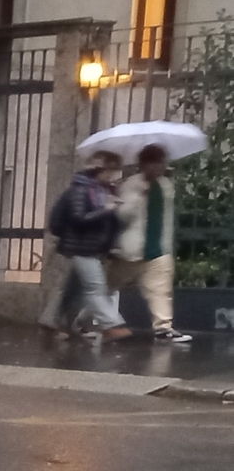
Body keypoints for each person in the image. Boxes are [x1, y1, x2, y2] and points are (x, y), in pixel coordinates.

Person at [107, 143, 192, 345]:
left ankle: (163, 328)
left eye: (162, 163)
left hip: (158, 250)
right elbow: (121, 216)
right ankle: (83, 321)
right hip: (131, 251)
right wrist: (138, 197)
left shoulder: (166, 186)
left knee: (161, 289)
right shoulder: (130, 185)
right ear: (145, 165)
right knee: (105, 288)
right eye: (156, 163)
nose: (161, 167)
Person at [41, 151, 129, 340]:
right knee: (95, 287)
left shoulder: (103, 191)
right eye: (112, 170)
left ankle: (52, 322)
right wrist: (106, 209)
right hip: (80, 247)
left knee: (73, 290)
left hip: (94, 248)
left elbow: (110, 222)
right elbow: (78, 219)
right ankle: (111, 325)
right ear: (100, 169)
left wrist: (114, 210)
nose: (114, 175)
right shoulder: (80, 190)